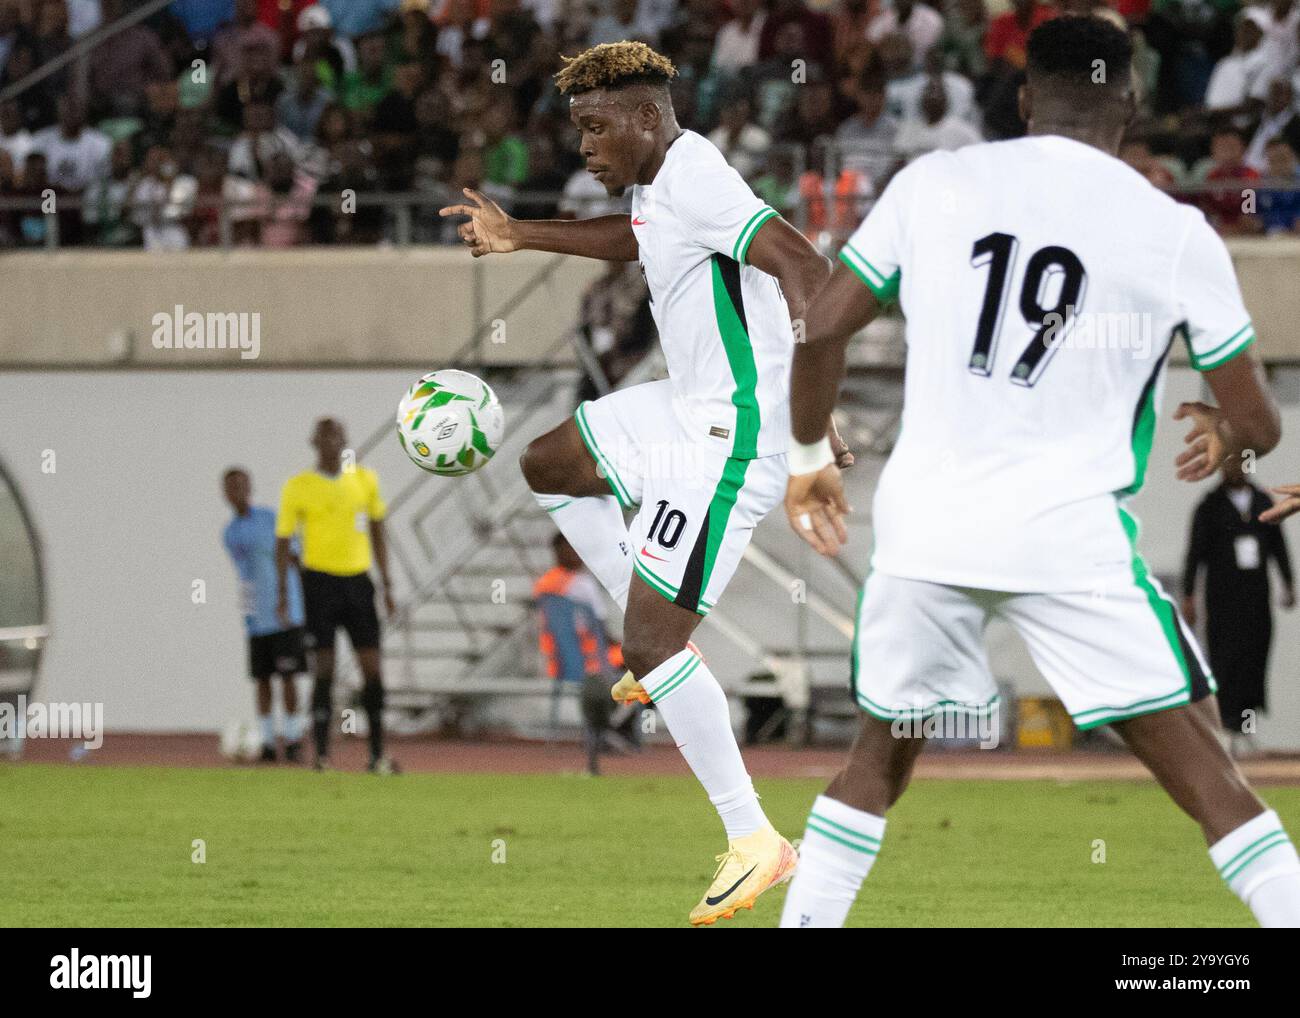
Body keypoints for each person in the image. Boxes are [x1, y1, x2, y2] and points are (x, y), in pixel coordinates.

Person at [780, 16, 1300, 929]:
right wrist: (1227, 429)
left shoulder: (931, 182)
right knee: (1210, 776)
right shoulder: (1174, 231)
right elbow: (1256, 423)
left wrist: (808, 458)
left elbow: (820, 327)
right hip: (1067, 541)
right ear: (1131, 104)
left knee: (878, 762)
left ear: (1022, 100)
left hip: (924, 532)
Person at [440, 40, 851, 927]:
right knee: (548, 463)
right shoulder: (659, 189)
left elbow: (807, 270)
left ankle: (755, 840)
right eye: (577, 129)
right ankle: (651, 648)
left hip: (730, 438)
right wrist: (521, 234)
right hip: (687, 406)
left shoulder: (698, 177)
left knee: (657, 646)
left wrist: (811, 424)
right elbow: (637, 241)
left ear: (648, 118)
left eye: (595, 128)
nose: (584, 146)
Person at [275, 418, 398, 774]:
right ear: (314, 442)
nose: (333, 442)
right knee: (324, 670)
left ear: (345, 440)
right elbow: (283, 542)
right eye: (326, 436)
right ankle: (323, 756)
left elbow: (378, 531)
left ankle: (376, 755)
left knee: (372, 670)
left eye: (338, 435)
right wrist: (284, 593)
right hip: (318, 583)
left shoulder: (365, 480)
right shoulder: (298, 486)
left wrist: (387, 584)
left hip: (358, 583)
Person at [1183, 458, 1295, 752]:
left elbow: (1278, 546)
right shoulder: (1210, 506)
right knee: (1225, 659)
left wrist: (1288, 582)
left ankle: (1246, 728)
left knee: (1253, 661)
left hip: (1256, 598)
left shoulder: (1261, 501)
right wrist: (1188, 595)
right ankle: (1228, 727)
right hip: (1222, 599)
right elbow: (1195, 554)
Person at [222, 468, 308, 763]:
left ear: (250, 487)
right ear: (225, 493)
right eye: (230, 487)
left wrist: (289, 598)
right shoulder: (230, 532)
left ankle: (294, 738)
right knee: (262, 679)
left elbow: (295, 557)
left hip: (285, 614)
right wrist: (247, 613)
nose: (236, 492)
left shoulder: (271, 519)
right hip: (257, 619)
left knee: (288, 677)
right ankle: (269, 742)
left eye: (241, 485)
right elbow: (244, 576)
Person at [534, 534, 619, 776]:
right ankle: (617, 733)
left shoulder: (545, 584)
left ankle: (608, 730)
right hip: (593, 661)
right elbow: (598, 627)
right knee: (640, 669)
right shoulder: (583, 584)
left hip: (559, 662)